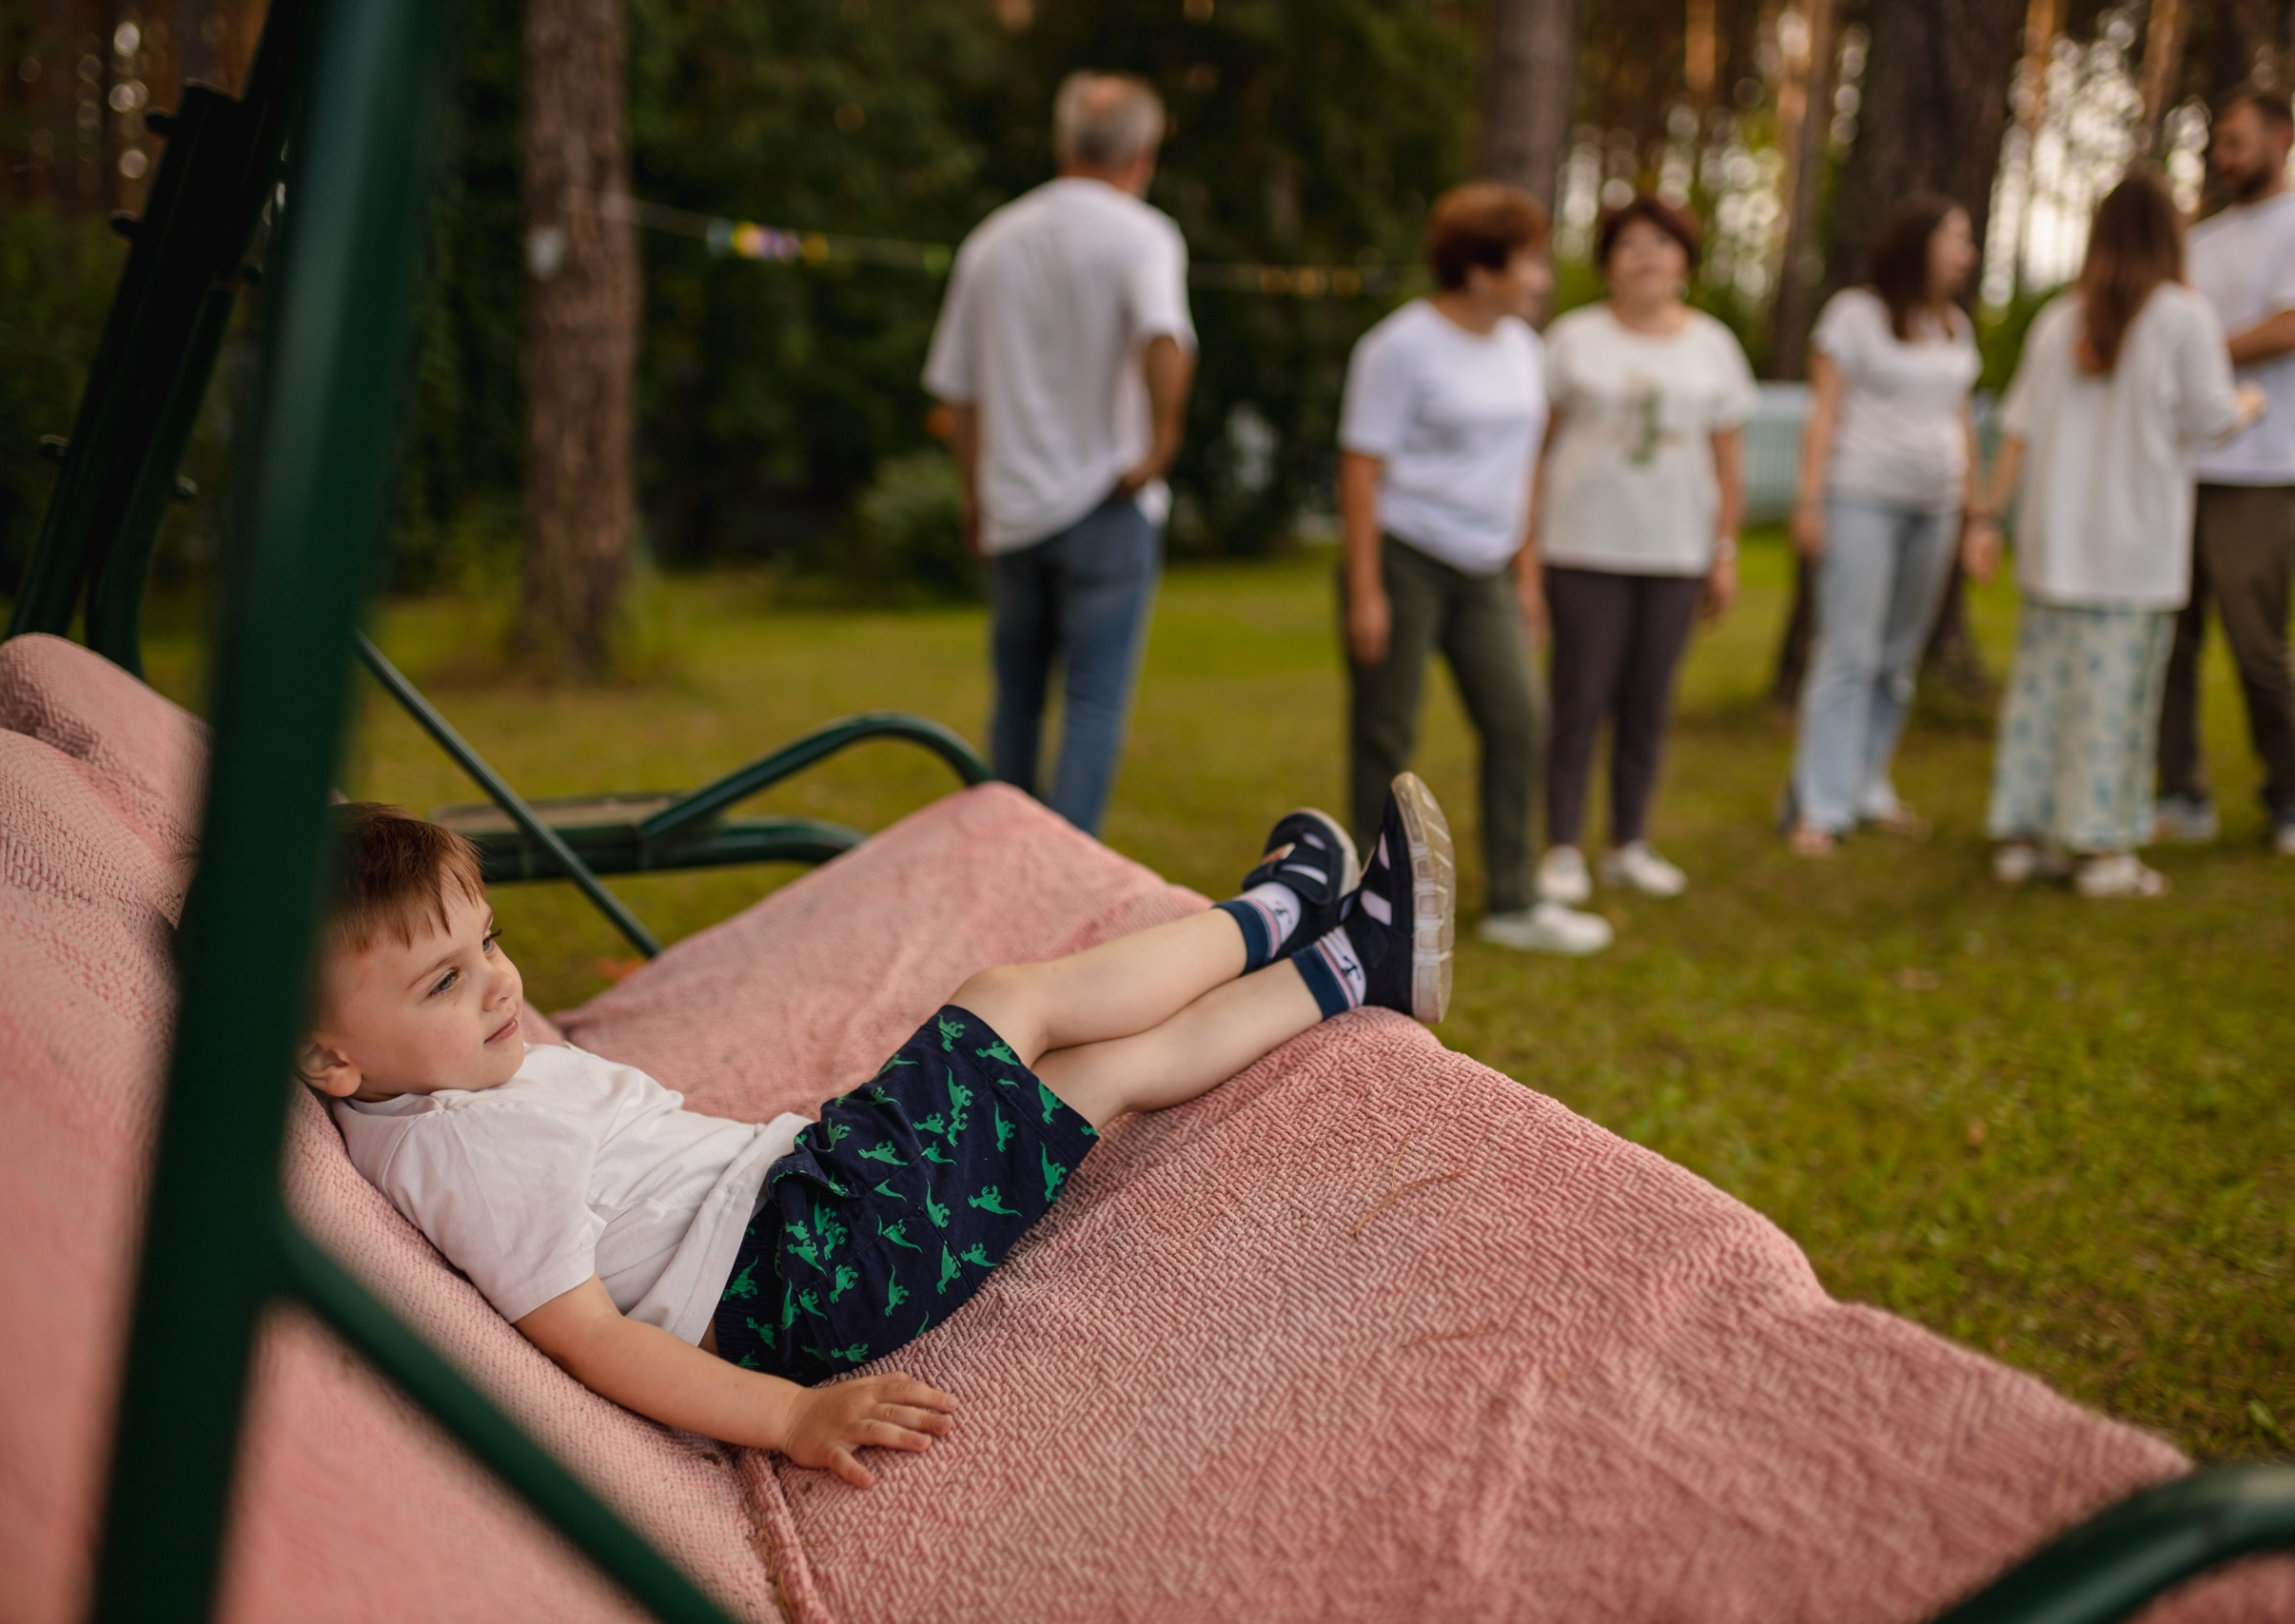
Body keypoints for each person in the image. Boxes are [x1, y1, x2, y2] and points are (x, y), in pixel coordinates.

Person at [307, 777, 1454, 1484]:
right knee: (1015, 997)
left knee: (1097, 1076)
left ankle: (1354, 968)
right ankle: (1281, 912)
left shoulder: (430, 1096)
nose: (499, 985)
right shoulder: (461, 1147)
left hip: (812, 1220)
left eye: (490, 945)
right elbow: (591, 1340)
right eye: (444, 982)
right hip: (810, 1260)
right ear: (329, 1056)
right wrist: (791, 1416)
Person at [1966, 170, 2260, 898]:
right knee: (2114, 701)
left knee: (2042, 695)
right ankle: (2099, 851)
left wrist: (1987, 518)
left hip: (2053, 545)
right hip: (2135, 552)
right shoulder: (2183, 315)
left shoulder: (2060, 319)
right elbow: (2213, 419)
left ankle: (2025, 834)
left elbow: (2018, 429)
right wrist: (2251, 401)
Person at [1338, 183, 1609, 956]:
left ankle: (1516, 899)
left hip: (1487, 566)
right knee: (1387, 728)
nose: (1542, 277)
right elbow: (1360, 470)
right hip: (1404, 556)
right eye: (1528, 261)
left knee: (1519, 717)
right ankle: (1366, 906)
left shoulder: (1525, 348)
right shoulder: (1400, 346)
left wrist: (1525, 577)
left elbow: (1522, 470)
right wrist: (1366, 590)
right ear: (1481, 269)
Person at [922, 72, 1197, 837]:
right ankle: (1067, 869)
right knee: (1093, 701)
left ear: (1063, 141)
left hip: (1013, 505)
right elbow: (1166, 340)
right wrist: (1159, 445)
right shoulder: (1142, 234)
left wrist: (974, 497)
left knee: (1015, 698)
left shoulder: (993, 239)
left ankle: (1005, 855)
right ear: (1143, 152)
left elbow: (960, 392)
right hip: (1107, 500)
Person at [1529, 197, 1754, 905]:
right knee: (1579, 697)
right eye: (1630, 244)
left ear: (1685, 260)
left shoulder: (1713, 346)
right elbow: (1535, 449)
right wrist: (1526, 550)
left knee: (1650, 701)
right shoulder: (1572, 340)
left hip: (1675, 553)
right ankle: (1562, 846)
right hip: (1582, 546)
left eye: (1663, 243)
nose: (1647, 256)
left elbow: (1728, 462)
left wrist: (1724, 551)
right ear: (1607, 263)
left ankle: (1629, 841)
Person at [2154, 85, 2295, 861]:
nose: (2224, 157)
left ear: (2282, 137)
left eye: (2237, 141)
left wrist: (2201, 358)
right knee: (2172, 638)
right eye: (2219, 145)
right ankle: (2181, 793)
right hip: (2184, 463)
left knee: (2258, 644)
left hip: (2261, 469)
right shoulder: (2201, 242)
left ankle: (2290, 801)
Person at [1782, 195, 1985, 857]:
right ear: (1920, 242)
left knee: (1899, 659)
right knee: (1849, 651)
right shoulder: (1854, 316)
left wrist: (1977, 512)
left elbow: (1962, 424)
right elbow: (1824, 412)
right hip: (1860, 498)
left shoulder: (1955, 326)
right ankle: (1820, 803)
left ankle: (1867, 785)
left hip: (1937, 508)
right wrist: (1810, 502)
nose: (1967, 254)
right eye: (1957, 238)